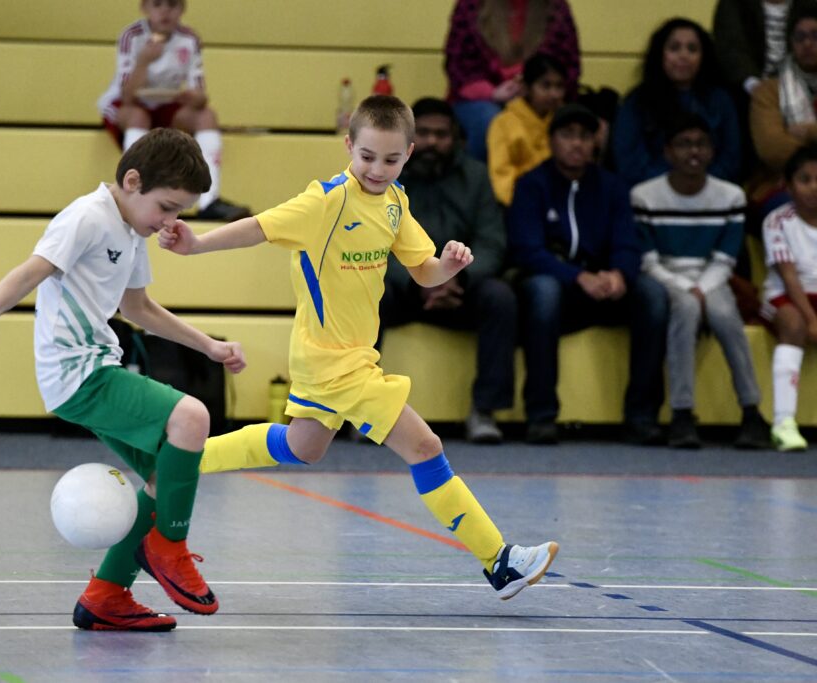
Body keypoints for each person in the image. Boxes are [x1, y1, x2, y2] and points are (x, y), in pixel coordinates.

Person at [161, 95, 559, 600]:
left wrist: (450, 266)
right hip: (336, 362)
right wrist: (195, 244)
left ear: (408, 154)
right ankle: (498, 561)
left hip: (339, 355)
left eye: (391, 159)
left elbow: (425, 270)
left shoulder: (395, 203)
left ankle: (176, 460)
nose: (377, 168)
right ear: (349, 146)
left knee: (303, 446)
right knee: (426, 447)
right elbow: (258, 227)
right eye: (367, 156)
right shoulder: (326, 200)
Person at [0, 128, 247, 631]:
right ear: (131, 181)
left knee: (167, 476)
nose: (169, 222)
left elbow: (138, 308)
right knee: (192, 416)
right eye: (166, 207)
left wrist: (208, 345)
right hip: (78, 372)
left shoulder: (132, 231)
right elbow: (31, 271)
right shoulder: (87, 217)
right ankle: (169, 547)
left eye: (179, 212)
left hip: (97, 367)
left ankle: (106, 596)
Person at [509, 103, 669, 445]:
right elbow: (527, 249)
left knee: (653, 296)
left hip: (605, 284)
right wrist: (576, 276)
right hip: (557, 283)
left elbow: (628, 241)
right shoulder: (531, 185)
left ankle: (641, 415)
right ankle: (541, 414)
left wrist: (620, 274)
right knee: (543, 292)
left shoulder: (613, 186)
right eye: (567, 135)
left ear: (595, 143)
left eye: (584, 136)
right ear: (551, 140)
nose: (577, 144)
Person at [380, 97, 516, 444]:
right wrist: (422, 279)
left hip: (461, 285)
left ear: (455, 138)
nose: (432, 142)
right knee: (364, 292)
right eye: (423, 133)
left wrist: (455, 276)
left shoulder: (475, 177)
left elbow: (491, 242)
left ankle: (484, 410)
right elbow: (374, 243)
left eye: (441, 134)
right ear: (408, 138)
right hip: (404, 286)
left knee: (500, 298)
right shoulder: (385, 175)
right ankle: (365, 409)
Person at [632, 113, 770, 449]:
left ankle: (752, 412)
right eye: (683, 144)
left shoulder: (731, 196)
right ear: (667, 152)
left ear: (712, 151)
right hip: (668, 278)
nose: (693, 151)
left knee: (726, 316)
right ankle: (682, 414)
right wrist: (685, 290)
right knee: (686, 312)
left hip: (712, 278)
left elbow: (725, 259)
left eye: (701, 144)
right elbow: (648, 261)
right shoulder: (644, 196)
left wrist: (702, 288)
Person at [96, 0, 250, 221]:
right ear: (145, 8)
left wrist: (194, 98)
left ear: (182, 9)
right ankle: (133, 193)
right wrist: (144, 61)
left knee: (207, 116)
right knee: (138, 116)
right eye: (157, 4)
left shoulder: (189, 39)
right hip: (130, 105)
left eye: (172, 4)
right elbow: (127, 95)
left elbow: (200, 95)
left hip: (167, 103)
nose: (165, 11)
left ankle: (209, 202)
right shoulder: (132, 36)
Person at [444, 0, 581, 161]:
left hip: (538, 95)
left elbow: (568, 64)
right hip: (480, 98)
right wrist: (493, 93)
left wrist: (532, 86)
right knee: (490, 121)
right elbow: (457, 65)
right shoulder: (471, 5)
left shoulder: (556, 8)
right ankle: (479, 183)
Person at [613, 18, 741, 187]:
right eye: (674, 48)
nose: (683, 56)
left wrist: (699, 185)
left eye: (692, 49)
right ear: (660, 54)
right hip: (652, 196)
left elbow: (731, 159)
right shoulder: (638, 101)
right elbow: (630, 163)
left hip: (710, 194)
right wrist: (673, 186)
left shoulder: (720, 100)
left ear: (703, 57)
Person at [759, 143, 817, 451]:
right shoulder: (778, 221)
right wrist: (811, 319)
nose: (814, 188)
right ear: (789, 185)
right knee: (793, 325)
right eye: (805, 180)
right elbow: (789, 275)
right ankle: (784, 422)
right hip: (786, 297)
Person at [750, 1, 817, 214]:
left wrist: (808, 132)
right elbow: (773, 150)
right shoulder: (768, 91)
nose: (808, 43)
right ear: (790, 43)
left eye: (816, 35)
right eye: (800, 37)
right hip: (783, 183)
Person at [486, 53, 567, 205]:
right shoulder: (503, 123)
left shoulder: (565, 121)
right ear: (526, 88)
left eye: (559, 86)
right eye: (546, 86)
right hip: (519, 202)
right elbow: (501, 175)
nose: (554, 94)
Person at [713, 0, 793, 98]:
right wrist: (755, 87)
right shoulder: (735, 4)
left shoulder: (807, 6)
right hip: (745, 93)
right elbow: (731, 49)